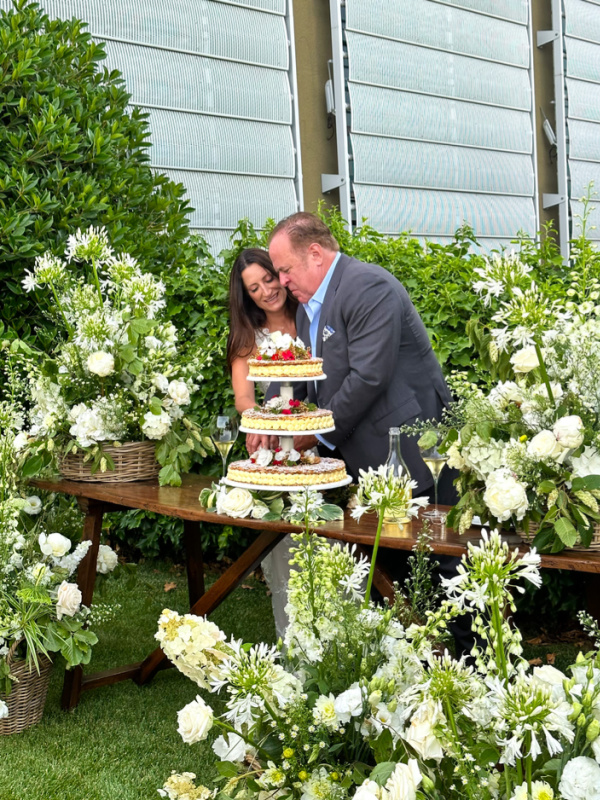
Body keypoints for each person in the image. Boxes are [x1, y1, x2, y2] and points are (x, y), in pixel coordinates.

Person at [267, 212, 452, 488]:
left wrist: (316, 433)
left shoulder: (367, 286)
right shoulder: (306, 310)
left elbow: (368, 377)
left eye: (286, 270)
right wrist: (268, 421)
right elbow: (305, 375)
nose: (281, 282)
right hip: (364, 464)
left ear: (315, 254)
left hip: (410, 458)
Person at [226, 248, 298, 641]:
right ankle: (291, 641)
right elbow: (244, 398)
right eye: (254, 288)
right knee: (285, 546)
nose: (266, 291)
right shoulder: (250, 335)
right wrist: (259, 422)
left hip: (324, 443)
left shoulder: (310, 313)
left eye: (268, 279)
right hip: (276, 450)